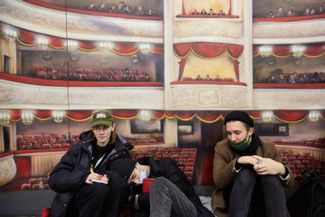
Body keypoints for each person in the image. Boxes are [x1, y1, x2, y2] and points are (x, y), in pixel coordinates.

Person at [48, 110, 133, 217]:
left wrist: (109, 176)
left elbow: (126, 181)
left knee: (120, 185)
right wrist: (84, 177)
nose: (101, 132)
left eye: (105, 127)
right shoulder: (79, 149)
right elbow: (54, 179)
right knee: (99, 189)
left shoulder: (122, 151)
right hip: (75, 203)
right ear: (92, 129)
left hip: (105, 205)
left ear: (112, 127)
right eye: (98, 128)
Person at [211, 110, 295, 217]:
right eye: (229, 133)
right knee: (245, 174)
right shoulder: (221, 147)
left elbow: (291, 183)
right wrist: (238, 162)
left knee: (270, 177)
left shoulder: (267, 147)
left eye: (237, 133)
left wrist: (281, 168)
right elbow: (219, 181)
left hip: (264, 202)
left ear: (250, 131)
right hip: (235, 201)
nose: (232, 138)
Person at [110, 157, 215, 217]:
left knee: (159, 184)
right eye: (132, 181)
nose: (136, 180)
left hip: (189, 211)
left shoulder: (166, 165)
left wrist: (139, 200)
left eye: (134, 176)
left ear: (137, 165)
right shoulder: (135, 186)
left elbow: (180, 191)